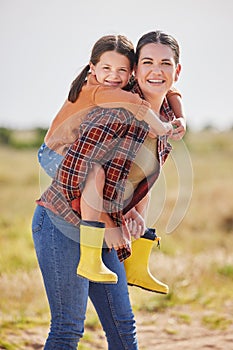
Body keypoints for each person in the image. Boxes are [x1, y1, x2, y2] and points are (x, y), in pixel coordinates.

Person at [32, 30, 183, 348]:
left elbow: (140, 177)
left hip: (101, 224)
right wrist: (112, 222)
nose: (156, 70)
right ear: (137, 71)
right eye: (148, 62)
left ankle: (137, 261)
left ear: (176, 70)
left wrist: (134, 213)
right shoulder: (114, 114)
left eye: (165, 63)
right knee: (68, 329)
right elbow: (74, 175)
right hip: (62, 221)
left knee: (123, 329)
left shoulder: (165, 118)